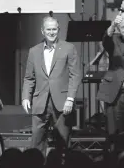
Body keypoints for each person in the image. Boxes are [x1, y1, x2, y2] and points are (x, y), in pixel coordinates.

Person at [22, 16, 82, 154]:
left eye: (54, 29)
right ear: (42, 31)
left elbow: (75, 75)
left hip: (62, 102)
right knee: (36, 143)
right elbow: (29, 78)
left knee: (62, 143)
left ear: (58, 30)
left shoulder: (69, 48)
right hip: (40, 101)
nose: (51, 32)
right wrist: (26, 97)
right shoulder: (34, 51)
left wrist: (70, 99)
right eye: (48, 29)